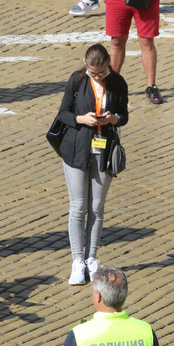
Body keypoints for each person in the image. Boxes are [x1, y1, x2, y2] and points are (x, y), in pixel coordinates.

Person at [56, 44, 128, 285]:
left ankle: (91, 258)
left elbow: (124, 116)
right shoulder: (77, 80)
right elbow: (62, 114)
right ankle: (77, 260)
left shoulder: (118, 82)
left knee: (97, 207)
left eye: (100, 72)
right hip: (76, 147)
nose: (96, 76)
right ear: (85, 65)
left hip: (103, 148)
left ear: (108, 64)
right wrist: (80, 118)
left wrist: (113, 119)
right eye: (92, 72)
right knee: (78, 206)